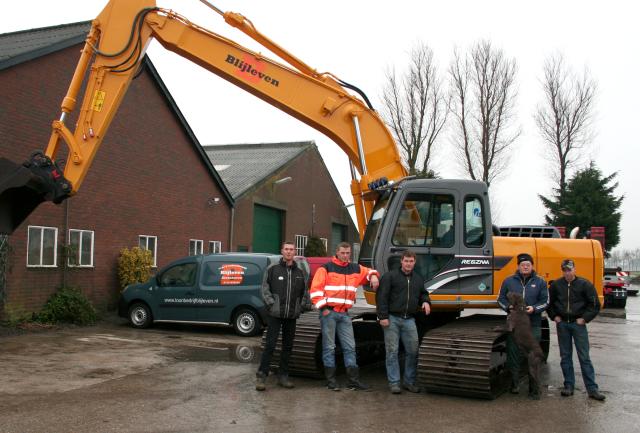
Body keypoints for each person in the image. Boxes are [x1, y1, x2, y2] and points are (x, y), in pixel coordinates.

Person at [310, 242, 380, 391]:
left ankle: (353, 380)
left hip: (345, 314)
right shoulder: (326, 268)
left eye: (348, 253)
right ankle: (331, 380)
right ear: (337, 252)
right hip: (329, 313)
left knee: (350, 347)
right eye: (343, 253)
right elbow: (315, 291)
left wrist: (374, 276)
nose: (346, 255)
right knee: (329, 347)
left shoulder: (354, 268)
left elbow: (369, 272)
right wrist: (324, 308)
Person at [547, 259, 605, 401]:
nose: (567, 272)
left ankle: (592, 389)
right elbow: (549, 303)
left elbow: (594, 304)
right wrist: (554, 316)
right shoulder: (556, 285)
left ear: (574, 269)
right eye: (565, 270)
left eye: (570, 269)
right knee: (565, 357)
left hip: (578, 325)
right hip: (563, 326)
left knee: (584, 357)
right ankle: (569, 386)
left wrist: (584, 318)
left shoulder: (585, 284)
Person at [256, 241, 311, 391]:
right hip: (275, 315)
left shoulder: (300, 272)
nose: (288, 252)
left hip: (291, 316)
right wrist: (272, 304)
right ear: (282, 251)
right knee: (270, 346)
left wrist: (300, 307)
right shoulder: (272, 269)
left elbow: (305, 292)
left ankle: (283, 376)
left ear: (295, 252)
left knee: (288, 346)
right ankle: (261, 376)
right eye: (286, 249)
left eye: (291, 249)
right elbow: (264, 289)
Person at [376, 250, 431, 394]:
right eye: (406, 261)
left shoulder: (418, 279)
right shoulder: (390, 276)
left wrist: (425, 302)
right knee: (392, 351)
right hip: (392, 319)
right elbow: (382, 297)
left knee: (413, 351)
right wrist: (383, 316)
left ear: (414, 262)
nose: (408, 264)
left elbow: (423, 293)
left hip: (409, 320)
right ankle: (394, 383)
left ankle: (409, 382)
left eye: (411, 261)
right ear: (401, 261)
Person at [497, 252, 549, 399]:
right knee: (513, 355)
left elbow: (546, 301)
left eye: (528, 264)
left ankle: (534, 389)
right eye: (522, 264)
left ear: (532, 266)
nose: (525, 266)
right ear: (518, 266)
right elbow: (500, 299)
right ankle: (514, 384)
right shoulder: (508, 281)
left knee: (533, 358)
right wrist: (508, 308)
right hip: (516, 327)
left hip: (533, 325)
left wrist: (534, 309)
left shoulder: (540, 282)